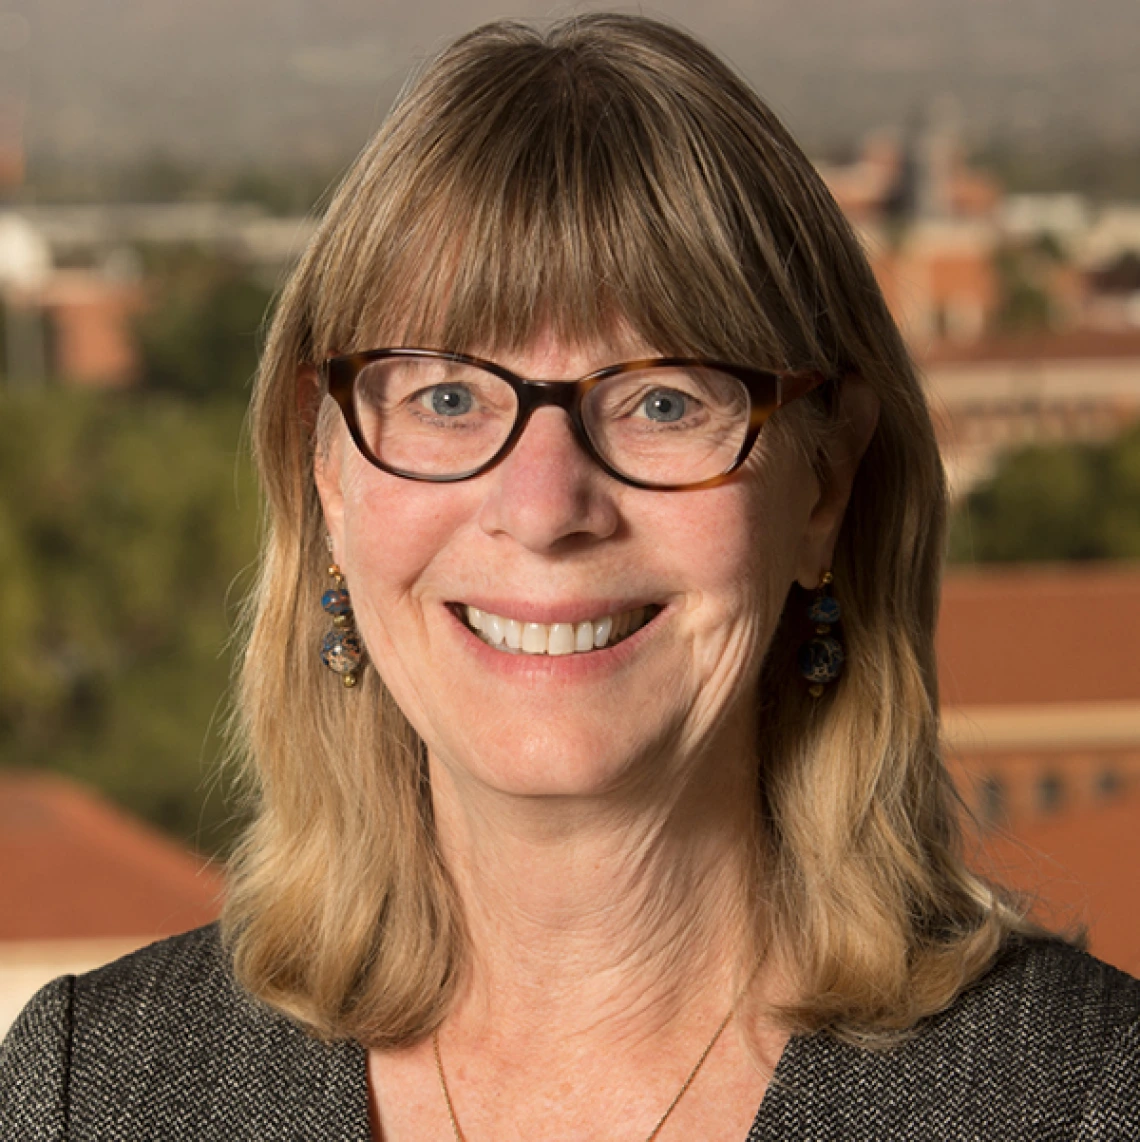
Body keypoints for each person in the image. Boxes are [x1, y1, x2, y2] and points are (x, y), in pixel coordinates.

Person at [2, 13, 1137, 1141]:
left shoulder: (1080, 1100)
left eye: (661, 402)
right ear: (327, 471)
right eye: (448, 396)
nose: (546, 509)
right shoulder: (91, 1089)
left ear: (824, 486)